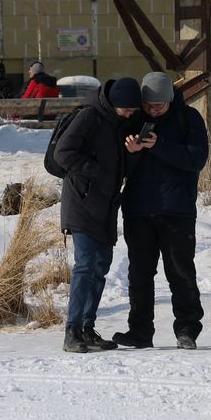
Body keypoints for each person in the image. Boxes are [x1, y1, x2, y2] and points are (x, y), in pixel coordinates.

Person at [113, 70, 208, 351]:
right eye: (148, 105)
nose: (152, 110)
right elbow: (120, 168)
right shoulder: (135, 119)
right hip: (138, 209)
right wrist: (131, 153)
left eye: (159, 106)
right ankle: (140, 331)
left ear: (170, 100)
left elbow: (196, 159)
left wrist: (159, 146)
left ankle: (187, 329)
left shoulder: (188, 119)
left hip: (176, 209)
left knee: (180, 272)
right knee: (139, 274)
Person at [53, 76, 141, 353]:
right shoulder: (89, 116)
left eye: (133, 110)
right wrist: (97, 175)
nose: (131, 114)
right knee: (86, 264)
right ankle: (72, 330)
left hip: (106, 204)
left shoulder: (121, 123)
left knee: (101, 267)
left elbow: (123, 167)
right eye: (127, 109)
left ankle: (87, 329)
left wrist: (134, 153)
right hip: (81, 201)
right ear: (114, 103)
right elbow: (62, 153)